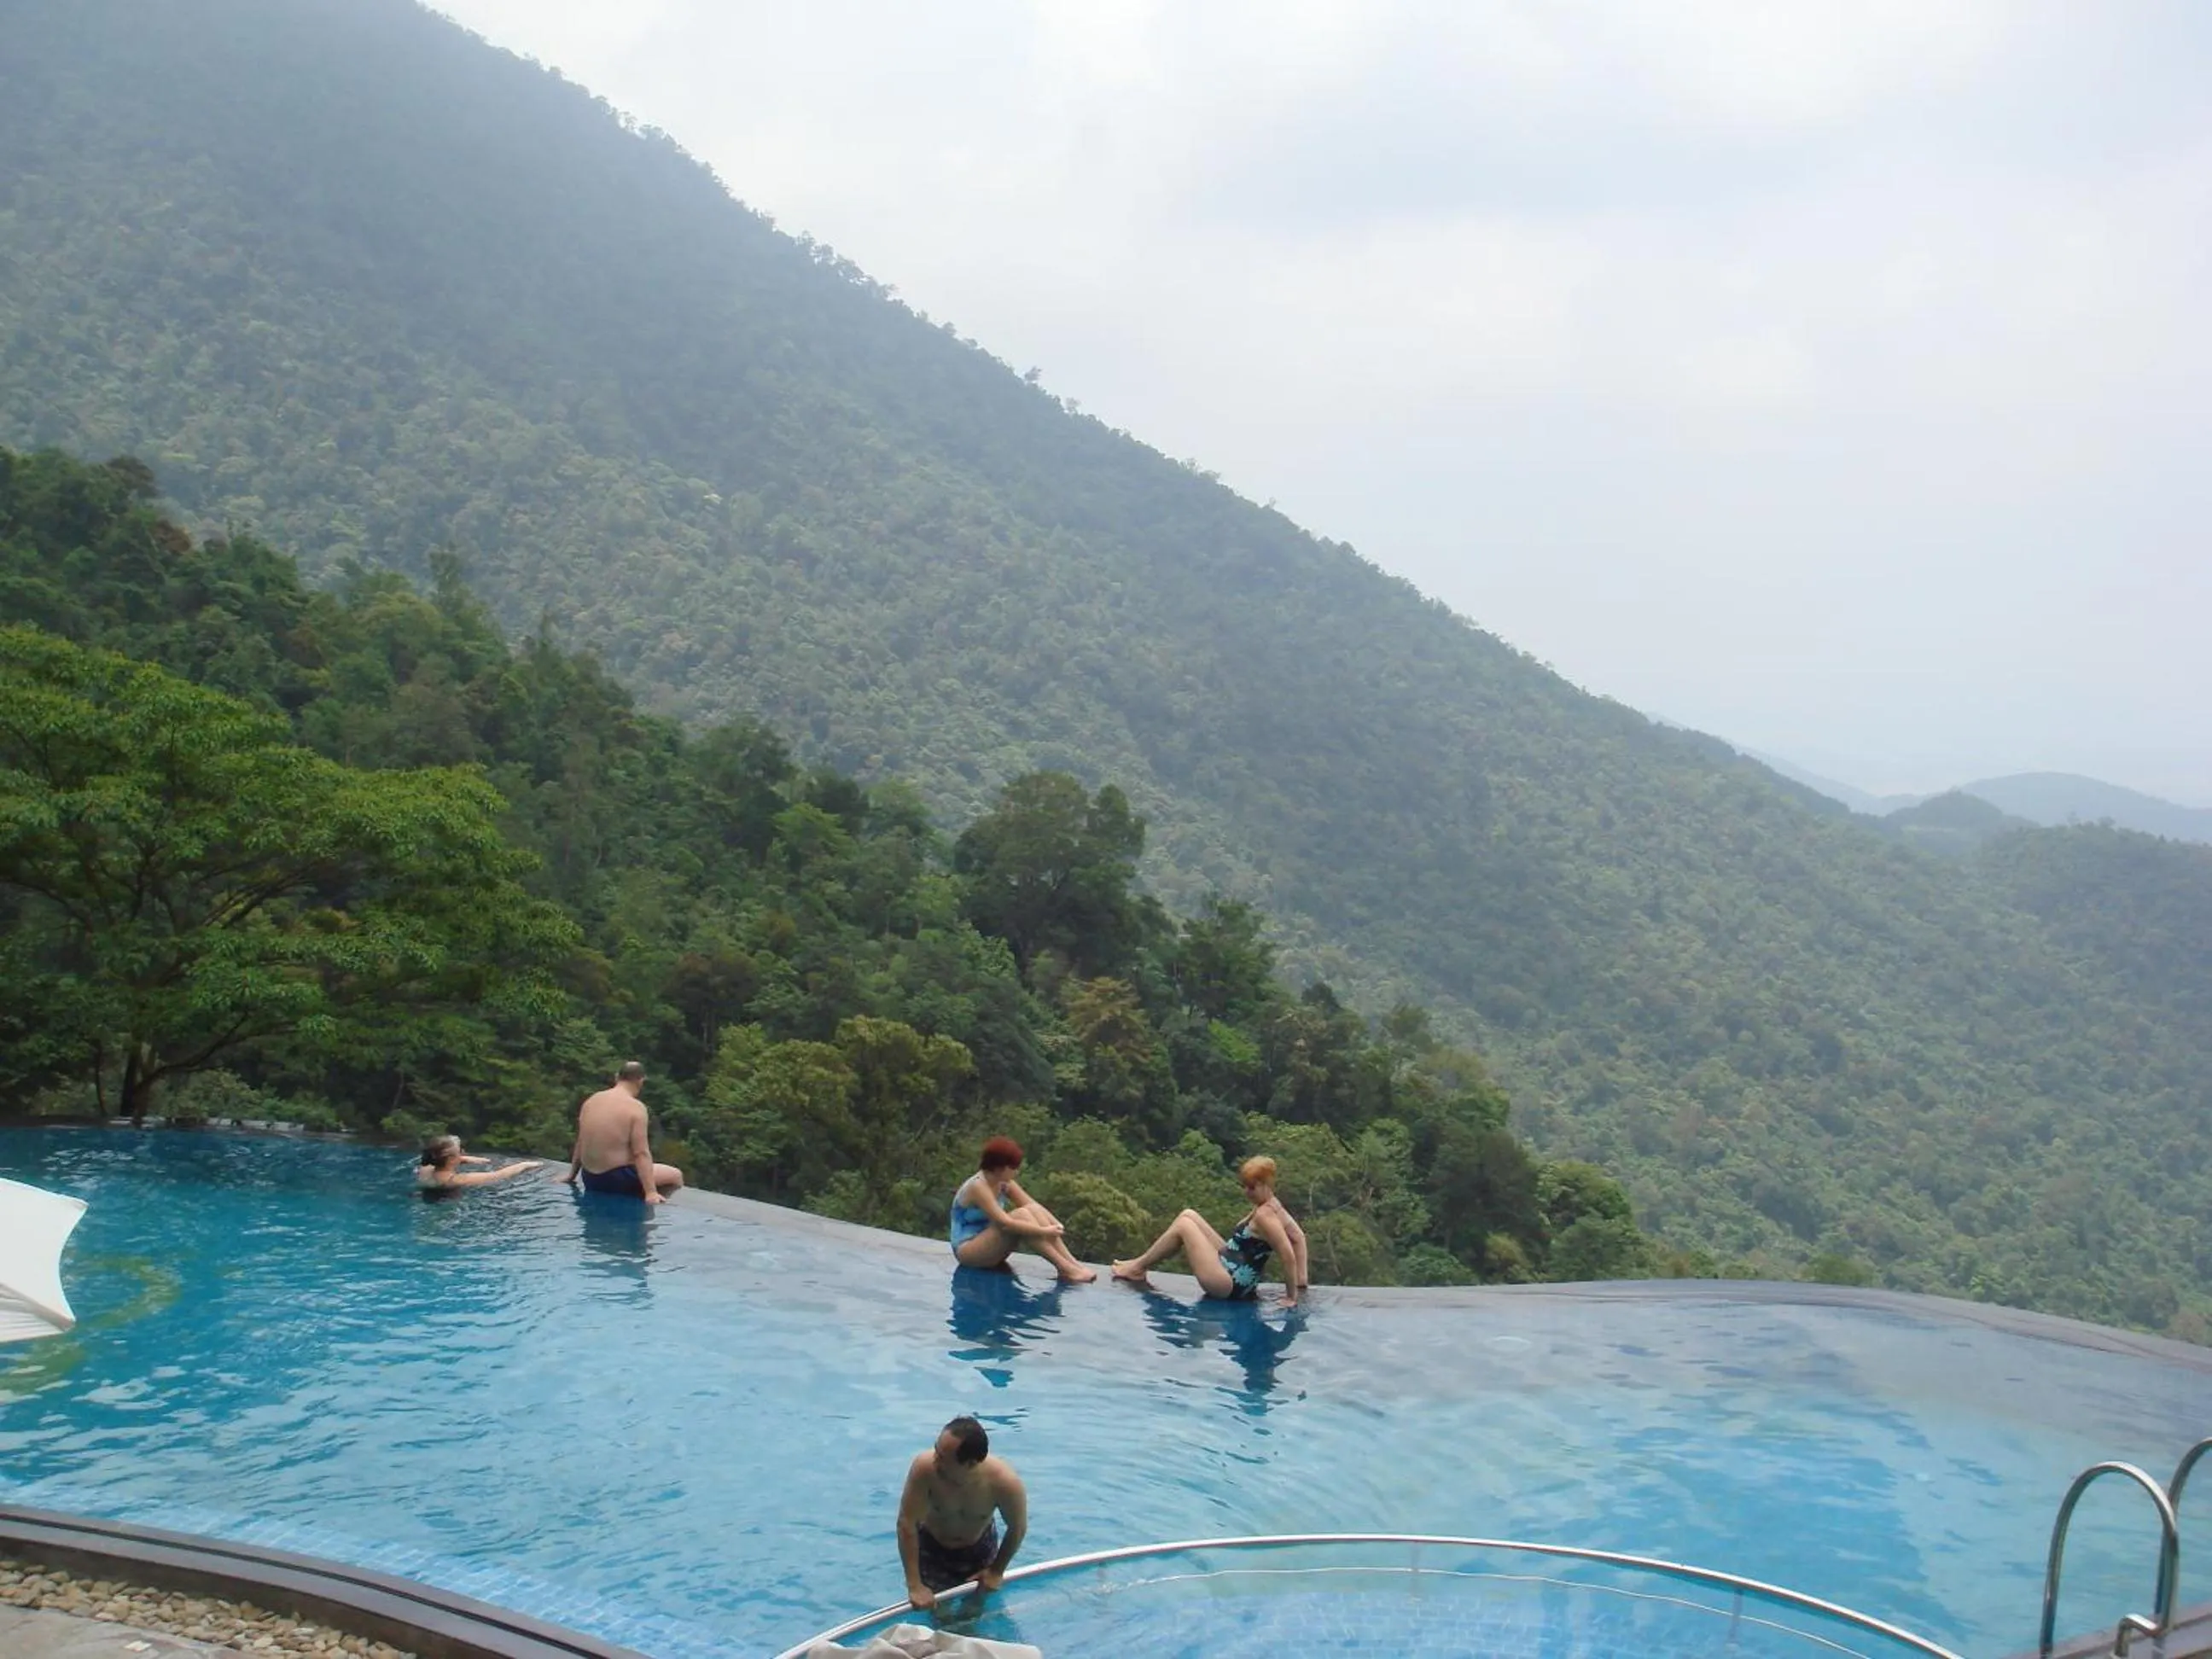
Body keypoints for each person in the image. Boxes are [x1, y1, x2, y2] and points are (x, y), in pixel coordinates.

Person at [1112, 1155, 1309, 1306]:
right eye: (1245, 1187)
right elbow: (1298, 1237)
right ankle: (1139, 1263)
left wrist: (1291, 1297)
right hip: (1231, 1261)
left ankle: (1136, 1270)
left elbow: (1287, 1255)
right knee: (1188, 1214)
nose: (1247, 1192)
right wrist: (1302, 1280)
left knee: (1184, 1226)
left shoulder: (1266, 1216)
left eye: (1252, 1188)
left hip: (1229, 1284)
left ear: (1266, 1185)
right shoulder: (1273, 1205)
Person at [897, 1416, 1027, 1610]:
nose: (935, 1460)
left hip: (978, 1549)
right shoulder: (924, 1470)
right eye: (936, 1450)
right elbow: (906, 1523)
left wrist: (996, 1571)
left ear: (971, 1464)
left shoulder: (1004, 1483)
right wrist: (914, 1585)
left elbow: (1017, 1528)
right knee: (939, 1612)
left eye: (943, 1458)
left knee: (974, 1609)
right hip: (933, 1549)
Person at [949, 1137, 1095, 1283]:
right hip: (968, 1251)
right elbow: (1005, 1223)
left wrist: (1056, 1224)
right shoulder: (978, 1186)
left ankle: (1073, 1264)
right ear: (999, 1168)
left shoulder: (1003, 1183)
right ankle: (1065, 1268)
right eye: (1013, 1168)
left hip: (990, 1245)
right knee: (1020, 1215)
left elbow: (1033, 1205)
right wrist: (1044, 1231)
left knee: (1032, 1210)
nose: (1017, 1172)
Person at [565, 1062, 684, 1202]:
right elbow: (641, 1153)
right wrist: (650, 1192)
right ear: (641, 1081)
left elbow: (581, 1141)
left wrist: (571, 1176)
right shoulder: (636, 1108)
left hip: (590, 1178)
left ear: (617, 1077)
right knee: (676, 1176)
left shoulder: (592, 1100)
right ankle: (650, 1204)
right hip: (619, 1180)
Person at [415, 1136, 544, 1193]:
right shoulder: (457, 1180)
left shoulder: (425, 1169)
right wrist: (525, 1164)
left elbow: (440, 1158)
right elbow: (499, 1175)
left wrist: (464, 1159)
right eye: (460, 1151)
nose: (463, 1152)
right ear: (451, 1159)